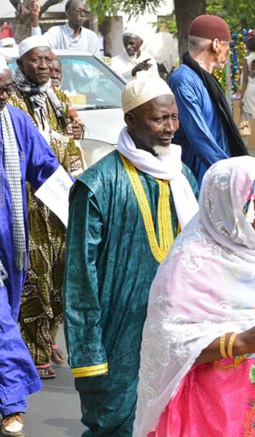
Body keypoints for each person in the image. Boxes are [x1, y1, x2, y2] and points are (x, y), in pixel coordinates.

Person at [133, 156, 255, 436]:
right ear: (231, 212)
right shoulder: (192, 262)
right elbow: (169, 343)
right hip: (216, 400)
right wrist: (240, 341)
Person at [64, 77, 199, 436]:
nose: (170, 128)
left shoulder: (182, 176)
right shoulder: (97, 184)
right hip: (117, 338)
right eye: (159, 119)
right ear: (131, 121)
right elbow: (79, 277)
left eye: (174, 117)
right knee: (115, 425)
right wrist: (89, 353)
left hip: (174, 331)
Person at [0, 55, 70, 437]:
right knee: (2, 326)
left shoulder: (15, 121)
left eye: (8, 87)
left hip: (13, 245)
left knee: (4, 319)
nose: (5, 94)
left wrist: (80, 208)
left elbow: (45, 169)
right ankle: (13, 403)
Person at [9, 36, 84, 381]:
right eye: (35, 60)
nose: (43, 66)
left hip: (57, 200)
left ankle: (46, 337)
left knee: (58, 275)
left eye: (48, 60)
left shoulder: (58, 99)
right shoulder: (10, 99)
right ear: (21, 63)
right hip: (26, 202)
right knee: (33, 276)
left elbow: (66, 143)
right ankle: (32, 349)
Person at [168, 14, 248, 184]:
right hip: (196, 177)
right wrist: (231, 175)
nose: (229, 51)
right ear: (216, 44)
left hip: (214, 173)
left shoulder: (205, 80)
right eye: (228, 46)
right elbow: (199, 137)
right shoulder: (183, 80)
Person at [30, 0, 101, 56]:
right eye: (78, 11)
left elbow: (96, 65)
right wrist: (35, 18)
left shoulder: (91, 37)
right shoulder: (56, 32)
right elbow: (38, 45)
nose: (82, 14)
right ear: (68, 13)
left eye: (84, 11)